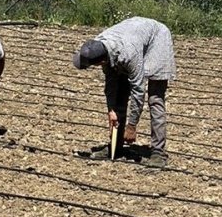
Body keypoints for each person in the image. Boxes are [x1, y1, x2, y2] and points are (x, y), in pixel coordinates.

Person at [71, 16, 175, 169]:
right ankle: (116, 146)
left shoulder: (128, 54)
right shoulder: (99, 45)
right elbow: (111, 85)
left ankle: (158, 153)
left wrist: (131, 126)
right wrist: (111, 110)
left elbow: (138, 90)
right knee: (119, 94)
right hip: (134, 37)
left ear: (101, 61)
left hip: (157, 39)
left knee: (155, 98)